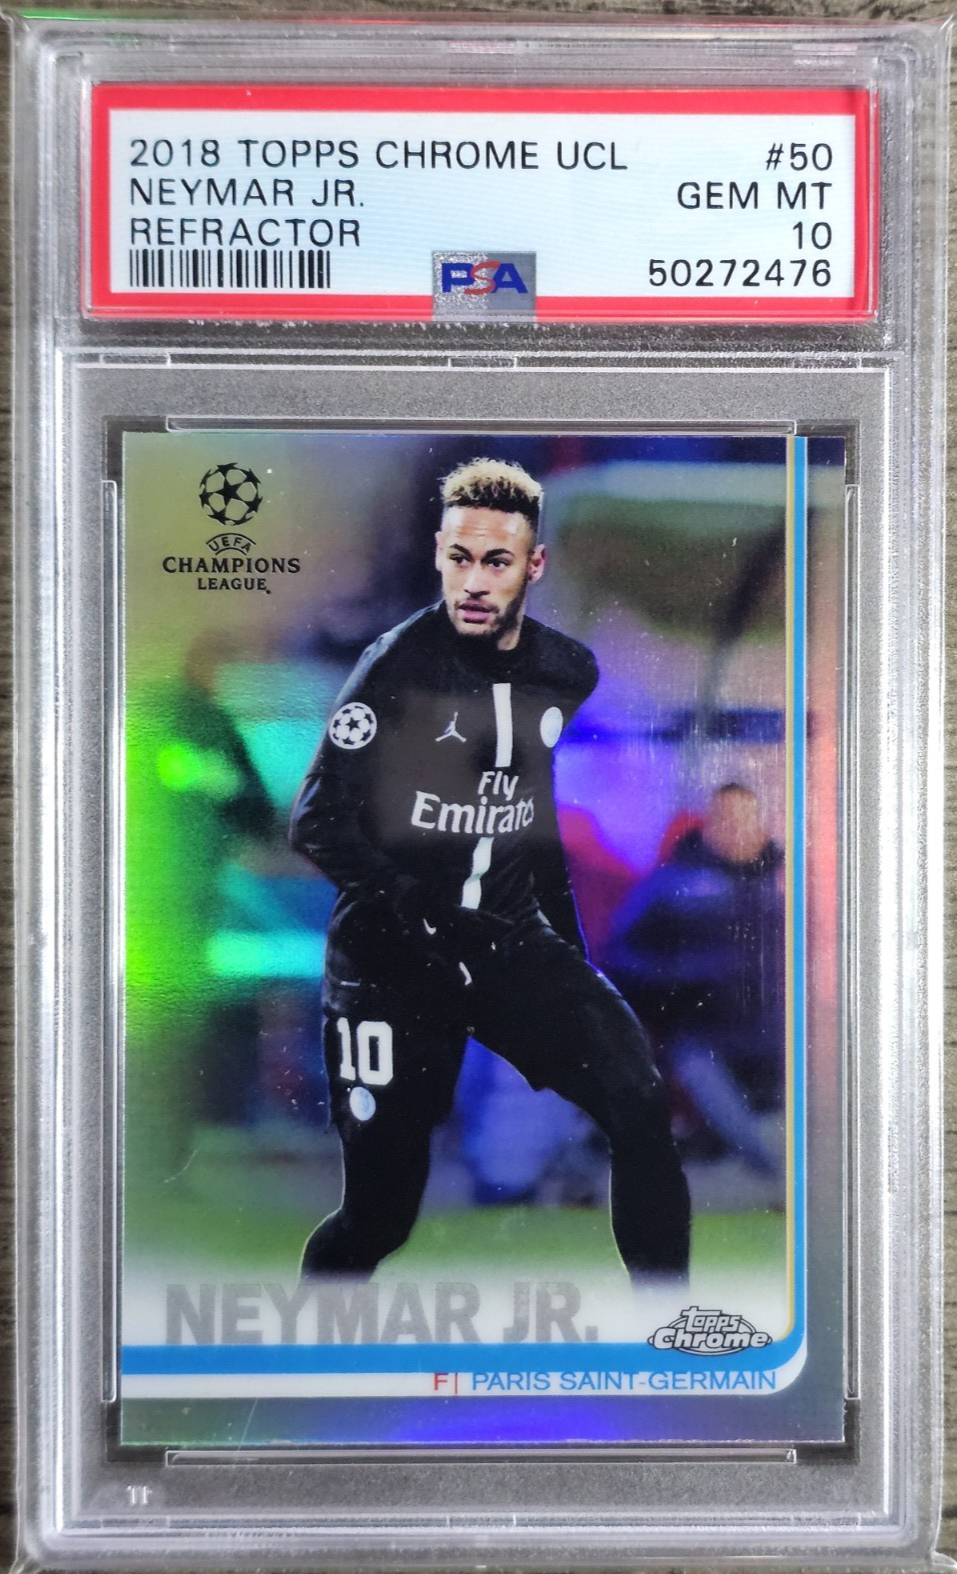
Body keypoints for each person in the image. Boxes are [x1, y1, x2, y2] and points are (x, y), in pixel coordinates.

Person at [289, 458, 690, 1285]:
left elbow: (527, 808)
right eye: (459, 558)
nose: (474, 581)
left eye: (496, 561)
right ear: (439, 555)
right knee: (380, 1214)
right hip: (392, 959)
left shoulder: (565, 670)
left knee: (637, 1100)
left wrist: (566, 951)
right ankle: (317, 1331)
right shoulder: (396, 668)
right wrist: (416, 905)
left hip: (510, 945)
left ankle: (672, 1325)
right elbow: (316, 821)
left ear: (533, 565)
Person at [606, 783, 785, 1177]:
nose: (735, 829)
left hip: (778, 1038)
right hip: (702, 1037)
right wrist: (685, 980)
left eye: (745, 818)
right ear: (707, 825)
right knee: (703, 1077)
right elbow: (621, 957)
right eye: (724, 819)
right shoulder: (670, 887)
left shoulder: (790, 884)